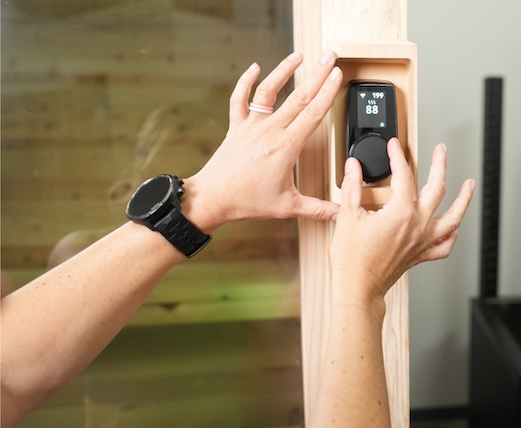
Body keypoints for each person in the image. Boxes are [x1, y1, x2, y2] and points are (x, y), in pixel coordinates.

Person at [0, 50, 475, 428]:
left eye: (180, 137)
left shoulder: (265, 263)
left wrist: (206, 198)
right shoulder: (81, 247)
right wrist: (363, 290)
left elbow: (8, 372)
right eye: (152, 141)